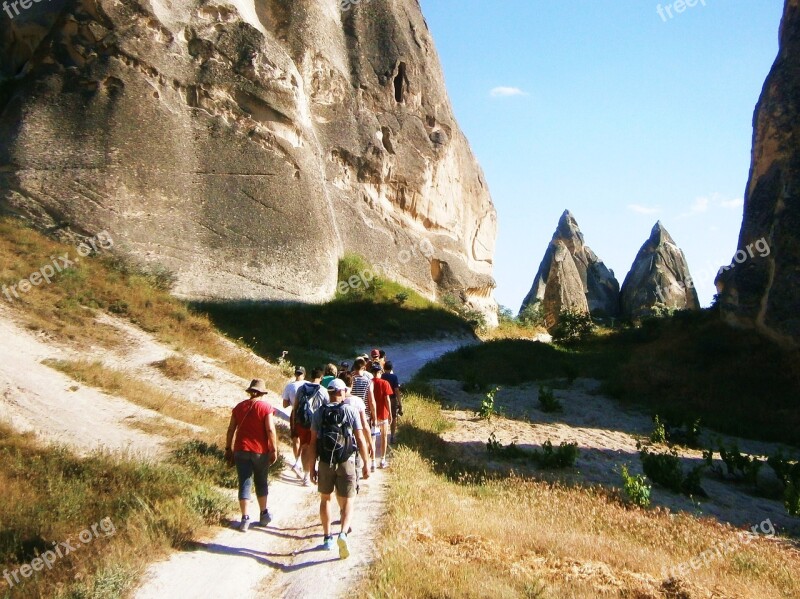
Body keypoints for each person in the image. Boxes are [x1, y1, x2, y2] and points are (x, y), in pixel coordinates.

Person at [310, 378, 371, 559]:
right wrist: (366, 463)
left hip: (325, 462)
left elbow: (313, 442)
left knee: (325, 499)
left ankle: (327, 537)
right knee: (349, 500)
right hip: (346, 461)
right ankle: (343, 533)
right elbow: (360, 439)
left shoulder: (319, 413)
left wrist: (312, 467)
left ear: (329, 393)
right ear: (342, 392)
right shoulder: (350, 411)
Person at [225, 379, 278, 532]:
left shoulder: (239, 407)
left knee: (244, 482)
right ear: (262, 393)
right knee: (261, 481)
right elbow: (270, 430)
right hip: (260, 451)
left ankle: (245, 518)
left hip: (241, 449)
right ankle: (263, 514)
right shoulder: (266, 407)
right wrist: (273, 449)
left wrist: (228, 448)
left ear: (250, 392)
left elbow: (231, 429)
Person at [292, 368, 329, 486]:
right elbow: (327, 408)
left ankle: (306, 475)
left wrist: (294, 424)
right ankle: (312, 472)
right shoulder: (323, 390)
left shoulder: (301, 388)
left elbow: (295, 407)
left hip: (301, 422)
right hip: (315, 423)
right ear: (321, 378)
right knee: (313, 447)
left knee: (304, 447)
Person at [350, 357, 377, 470]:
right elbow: (371, 401)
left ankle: (354, 462)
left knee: (352, 438)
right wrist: (374, 416)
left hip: (350, 413)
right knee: (365, 439)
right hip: (364, 414)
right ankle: (370, 462)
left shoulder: (350, 379)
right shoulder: (368, 382)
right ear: (364, 367)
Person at [282, 366, 306, 473]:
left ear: (295, 374)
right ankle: (304, 462)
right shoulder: (308, 385)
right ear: (304, 374)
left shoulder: (290, 386)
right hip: (307, 413)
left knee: (296, 438)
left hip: (295, 412)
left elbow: (284, 404)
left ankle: (297, 461)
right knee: (305, 438)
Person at [370, 361, 393, 468]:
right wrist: (390, 414)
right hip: (383, 414)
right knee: (383, 437)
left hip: (372, 415)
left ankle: (373, 461)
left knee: (372, 438)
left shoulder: (369, 382)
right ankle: (382, 460)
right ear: (380, 372)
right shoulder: (385, 383)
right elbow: (387, 400)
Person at [382, 361, 402, 443]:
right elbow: (396, 390)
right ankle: (392, 436)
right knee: (393, 417)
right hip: (392, 399)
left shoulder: (381, 376)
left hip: (383, 399)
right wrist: (400, 403)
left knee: (384, 417)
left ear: (384, 368)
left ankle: (384, 436)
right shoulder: (394, 377)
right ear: (391, 368)